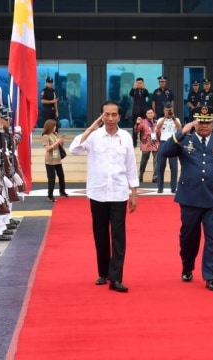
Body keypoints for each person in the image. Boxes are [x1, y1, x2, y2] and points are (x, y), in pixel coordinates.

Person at [158, 105, 213, 291]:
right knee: (188, 238)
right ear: (194, 122)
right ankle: (187, 267)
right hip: (190, 198)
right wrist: (181, 132)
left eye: (207, 122)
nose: (203, 126)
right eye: (200, 122)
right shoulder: (184, 140)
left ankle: (211, 275)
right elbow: (164, 152)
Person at [69, 101, 139, 293]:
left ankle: (116, 278)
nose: (109, 118)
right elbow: (73, 149)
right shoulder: (93, 137)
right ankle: (103, 272)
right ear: (101, 116)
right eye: (106, 115)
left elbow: (130, 165)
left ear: (119, 116)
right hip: (98, 193)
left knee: (118, 236)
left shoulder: (125, 137)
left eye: (113, 115)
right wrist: (91, 128)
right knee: (100, 234)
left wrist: (134, 192)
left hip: (118, 192)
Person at [156, 105, 182, 193]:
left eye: (169, 110)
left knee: (174, 167)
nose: (168, 112)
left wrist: (173, 117)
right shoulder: (160, 119)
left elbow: (179, 128)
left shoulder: (176, 119)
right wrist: (165, 117)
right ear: (164, 110)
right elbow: (157, 127)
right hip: (163, 142)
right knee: (160, 166)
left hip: (172, 143)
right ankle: (160, 187)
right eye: (166, 110)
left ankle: (173, 188)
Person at [41, 119, 67, 202]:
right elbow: (47, 148)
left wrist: (61, 142)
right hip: (50, 160)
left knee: (61, 176)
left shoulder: (55, 135)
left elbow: (59, 146)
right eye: (54, 126)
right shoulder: (45, 136)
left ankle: (62, 191)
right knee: (51, 178)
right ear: (50, 127)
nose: (55, 127)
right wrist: (56, 143)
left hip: (57, 159)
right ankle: (50, 195)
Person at [134, 108, 159, 183]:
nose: (150, 114)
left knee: (157, 161)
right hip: (146, 144)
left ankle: (155, 177)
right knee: (143, 161)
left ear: (154, 114)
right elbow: (136, 130)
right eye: (148, 113)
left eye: (151, 113)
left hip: (156, 144)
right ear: (146, 114)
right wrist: (137, 123)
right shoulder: (143, 122)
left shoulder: (157, 122)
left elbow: (160, 132)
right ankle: (140, 176)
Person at [129, 77, 149, 147]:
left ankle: (142, 142)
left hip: (143, 111)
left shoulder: (144, 90)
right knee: (135, 127)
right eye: (138, 83)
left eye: (140, 83)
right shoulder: (135, 90)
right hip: (136, 111)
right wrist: (134, 87)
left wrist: (143, 87)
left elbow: (147, 94)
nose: (139, 84)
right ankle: (134, 142)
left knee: (143, 127)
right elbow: (130, 94)